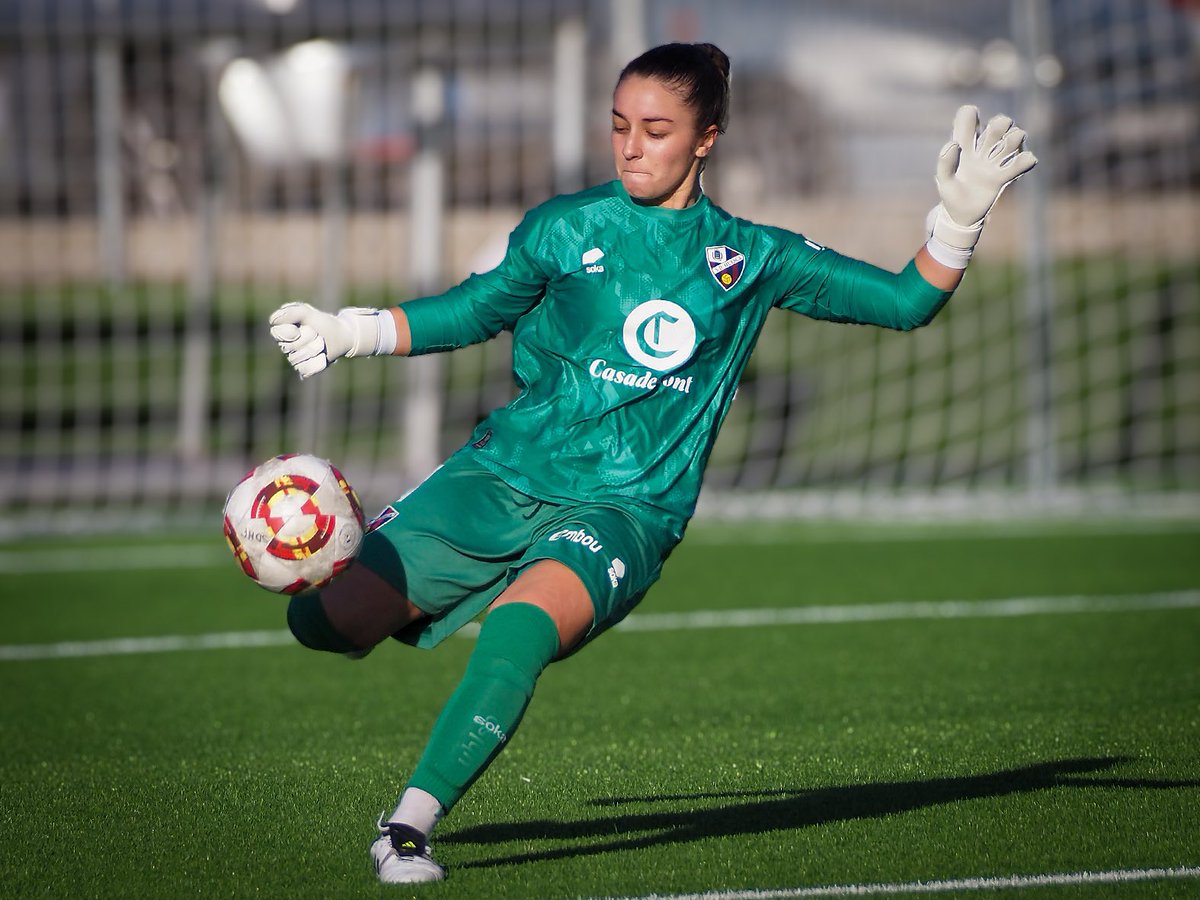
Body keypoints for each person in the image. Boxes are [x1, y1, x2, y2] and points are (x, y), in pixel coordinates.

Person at [268, 42, 1036, 884]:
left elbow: (904, 302)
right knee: (325, 625)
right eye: (619, 126)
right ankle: (326, 585)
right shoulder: (565, 227)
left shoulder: (751, 256)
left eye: (657, 130)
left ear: (707, 138)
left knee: (518, 632)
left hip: (628, 509)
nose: (631, 145)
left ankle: (408, 828)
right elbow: (473, 310)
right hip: (502, 474)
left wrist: (957, 221)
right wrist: (349, 330)